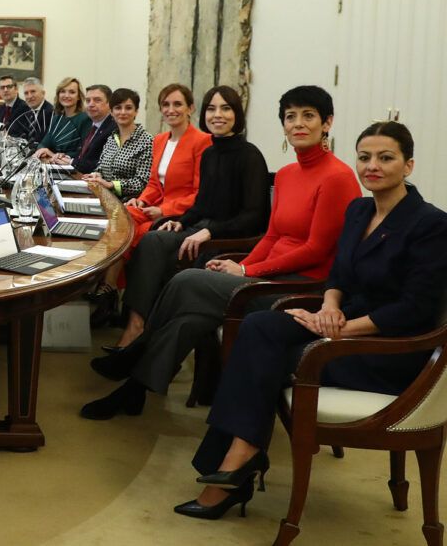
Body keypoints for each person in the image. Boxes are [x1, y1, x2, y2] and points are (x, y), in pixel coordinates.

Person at [176, 121, 447, 520]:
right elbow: (339, 275)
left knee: (265, 356)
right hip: (342, 325)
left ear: (408, 166)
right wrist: (329, 308)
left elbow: (415, 309)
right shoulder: (359, 210)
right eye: (365, 157)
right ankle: (241, 455)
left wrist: (339, 329)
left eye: (386, 158)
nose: (372, 166)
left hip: (388, 351)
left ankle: (235, 463)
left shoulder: (430, 224)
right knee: (260, 326)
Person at [81, 85, 361, 420]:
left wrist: (246, 271)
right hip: (266, 275)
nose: (298, 123)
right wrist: (241, 265)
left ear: (327, 122)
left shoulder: (337, 177)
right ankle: (135, 390)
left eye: (308, 116)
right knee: (189, 319)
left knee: (186, 281)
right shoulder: (288, 174)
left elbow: (316, 250)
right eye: (290, 117)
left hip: (299, 287)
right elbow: (272, 235)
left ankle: (134, 353)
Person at [111, 86, 270, 350]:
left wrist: (208, 230)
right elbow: (202, 203)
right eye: (212, 109)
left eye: (226, 108)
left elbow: (255, 217)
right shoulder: (210, 153)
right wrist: (182, 221)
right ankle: (135, 324)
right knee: (151, 239)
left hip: (225, 236)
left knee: (150, 239)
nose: (218, 115)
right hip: (199, 226)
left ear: (237, 113)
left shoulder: (249, 155)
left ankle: (145, 330)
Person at [123, 84, 213, 253]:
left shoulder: (202, 141)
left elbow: (199, 193)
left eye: (177, 104)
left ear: (190, 108)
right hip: (154, 205)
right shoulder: (159, 140)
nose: (171, 110)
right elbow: (154, 183)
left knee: (137, 233)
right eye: (165, 104)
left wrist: (163, 210)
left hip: (180, 213)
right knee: (119, 218)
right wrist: (142, 200)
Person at [81, 88, 153, 200]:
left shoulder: (147, 141)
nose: (123, 112)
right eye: (118, 108)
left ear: (136, 111)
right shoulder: (111, 138)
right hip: (105, 197)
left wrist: (111, 185)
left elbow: (142, 182)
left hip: (129, 202)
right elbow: (101, 168)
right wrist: (96, 175)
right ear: (111, 112)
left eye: (128, 108)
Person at [54, 84, 116, 171]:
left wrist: (71, 162)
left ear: (110, 104)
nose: (91, 104)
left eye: (97, 100)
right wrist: (65, 157)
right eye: (88, 101)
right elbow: (83, 156)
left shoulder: (113, 128)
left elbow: (102, 164)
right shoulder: (92, 125)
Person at [25, 77, 81, 157]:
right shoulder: (57, 118)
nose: (66, 95)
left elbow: (83, 153)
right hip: (51, 162)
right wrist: (43, 151)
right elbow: (43, 144)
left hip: (70, 164)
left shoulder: (85, 119)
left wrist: (51, 154)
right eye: (62, 91)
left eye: (72, 92)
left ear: (79, 96)